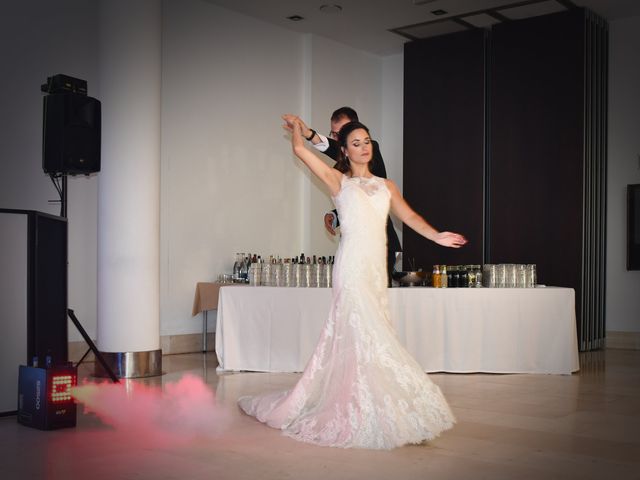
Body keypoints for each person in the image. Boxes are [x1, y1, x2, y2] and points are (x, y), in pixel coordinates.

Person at [238, 116, 467, 450]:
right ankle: (367, 405)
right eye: (356, 143)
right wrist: (299, 130)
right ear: (343, 150)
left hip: (376, 267)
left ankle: (370, 400)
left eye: (367, 141)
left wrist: (438, 235)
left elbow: (409, 217)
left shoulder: (386, 186)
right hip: (351, 268)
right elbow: (301, 151)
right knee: (363, 329)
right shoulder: (338, 181)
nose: (364, 147)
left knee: (373, 332)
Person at [284, 108, 401, 285]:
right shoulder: (342, 165)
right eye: (335, 133)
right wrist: (335, 215)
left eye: (343, 133)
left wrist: (308, 133)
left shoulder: (371, 149)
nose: (339, 138)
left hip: (379, 243)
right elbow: (354, 202)